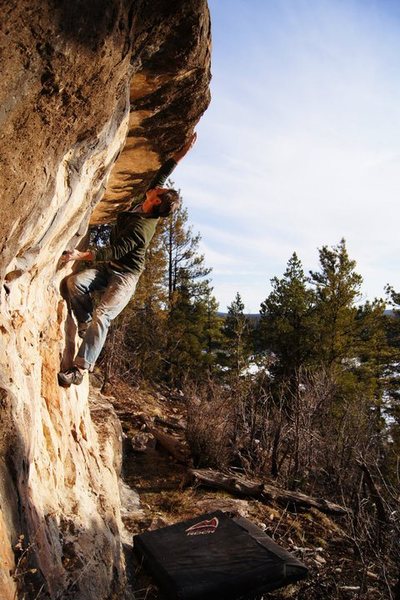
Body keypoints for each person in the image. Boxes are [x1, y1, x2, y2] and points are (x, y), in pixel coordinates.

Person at [58, 132, 196, 387]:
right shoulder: (148, 203)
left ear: (155, 203)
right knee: (73, 284)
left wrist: (80, 254)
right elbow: (160, 177)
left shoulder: (141, 229)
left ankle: (79, 370)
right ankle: (85, 326)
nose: (156, 187)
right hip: (111, 269)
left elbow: (114, 251)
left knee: (104, 314)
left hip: (125, 278)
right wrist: (179, 156)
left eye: (158, 191)